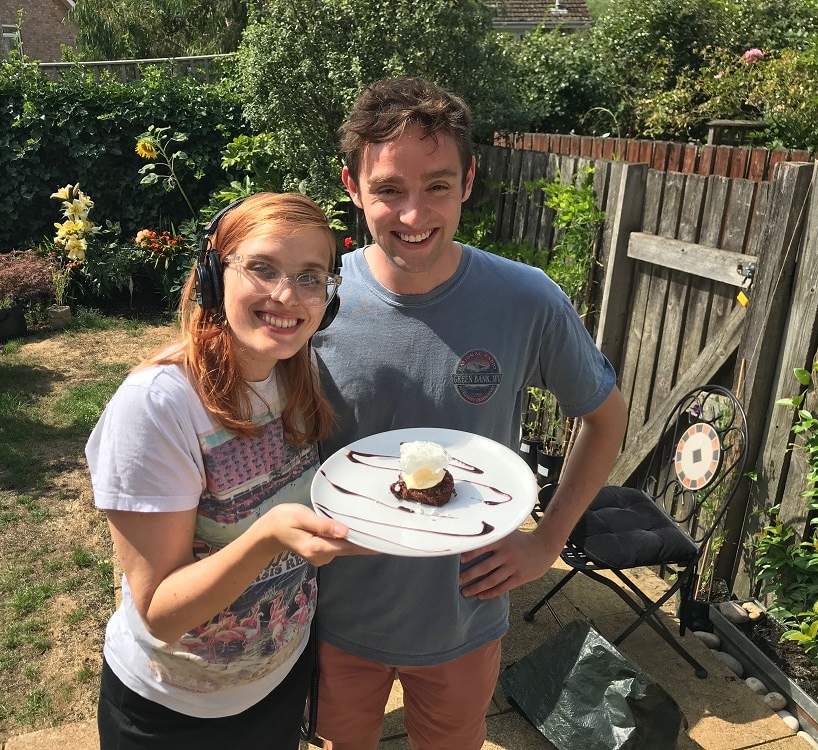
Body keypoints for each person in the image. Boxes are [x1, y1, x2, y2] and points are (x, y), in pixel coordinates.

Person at [311, 77, 629, 750]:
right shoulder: (317, 306)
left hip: (464, 617)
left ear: (470, 181)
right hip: (336, 616)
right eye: (388, 189)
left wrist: (548, 541)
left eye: (437, 185)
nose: (413, 213)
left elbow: (604, 418)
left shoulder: (525, 298)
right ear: (351, 185)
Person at [86, 192, 367, 750]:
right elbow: (160, 614)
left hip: (277, 683)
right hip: (175, 713)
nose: (287, 296)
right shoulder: (158, 406)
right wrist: (266, 539)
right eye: (262, 268)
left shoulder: (295, 374)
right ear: (216, 275)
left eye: (311, 277)